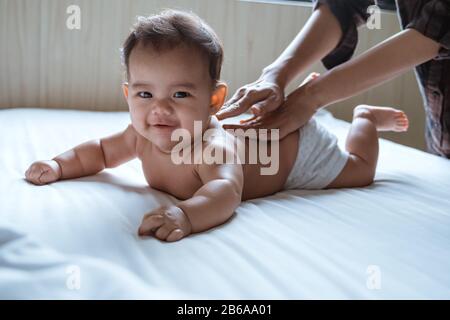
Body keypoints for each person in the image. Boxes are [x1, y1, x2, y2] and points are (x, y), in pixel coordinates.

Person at [24, 10, 408, 242]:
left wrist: (186, 215)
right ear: (127, 94)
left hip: (296, 151)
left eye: (179, 96)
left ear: (213, 100)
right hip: (268, 131)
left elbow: (226, 191)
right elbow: (99, 152)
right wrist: (59, 165)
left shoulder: (211, 147)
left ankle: (365, 119)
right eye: (144, 95)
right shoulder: (138, 137)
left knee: (360, 171)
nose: (159, 110)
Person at [217, 0, 450, 157]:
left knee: (358, 166)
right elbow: (344, 5)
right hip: (441, 134)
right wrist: (275, 74)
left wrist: (312, 96)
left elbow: (437, 27)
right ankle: (365, 118)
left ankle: (365, 117)